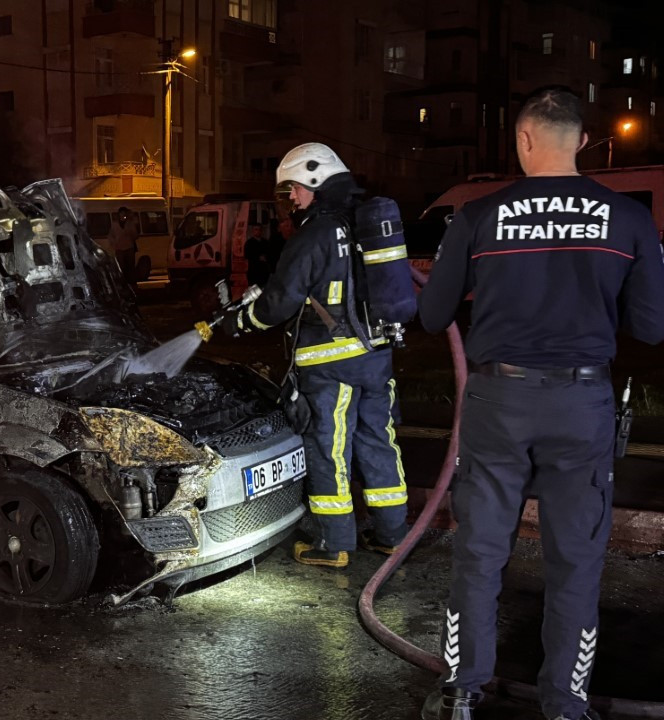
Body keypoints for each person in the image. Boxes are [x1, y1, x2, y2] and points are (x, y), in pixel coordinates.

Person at [417, 87, 664, 720]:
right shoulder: (628, 219)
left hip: (498, 398)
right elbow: (653, 325)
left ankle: (461, 692)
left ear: (522, 140)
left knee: (479, 550)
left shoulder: (477, 215)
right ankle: (565, 703)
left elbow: (434, 313)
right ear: (581, 142)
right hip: (582, 403)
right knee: (575, 557)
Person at [220, 142, 409, 568]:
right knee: (378, 441)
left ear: (316, 180)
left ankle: (334, 542)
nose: (291, 198)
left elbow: (278, 304)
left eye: (294, 189)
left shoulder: (316, 233)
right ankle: (393, 535)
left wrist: (239, 322)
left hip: (331, 366)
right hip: (376, 358)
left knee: (328, 448)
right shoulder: (360, 223)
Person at [107, 206, 140, 280]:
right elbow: (110, 235)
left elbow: (135, 235)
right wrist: (114, 243)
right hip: (119, 249)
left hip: (129, 248)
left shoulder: (130, 224)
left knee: (130, 266)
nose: (123, 216)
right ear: (119, 214)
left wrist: (130, 234)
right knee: (121, 266)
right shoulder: (115, 224)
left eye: (124, 214)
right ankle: (122, 280)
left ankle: (130, 281)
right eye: (121, 214)